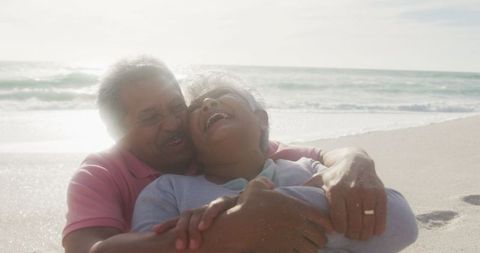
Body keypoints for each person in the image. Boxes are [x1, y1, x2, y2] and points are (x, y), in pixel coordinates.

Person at [62, 56, 390, 253]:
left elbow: (319, 157)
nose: (174, 124)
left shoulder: (208, 147)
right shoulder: (101, 174)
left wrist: (355, 161)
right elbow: (90, 251)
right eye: (151, 118)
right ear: (116, 132)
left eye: (178, 108)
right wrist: (223, 234)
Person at [131, 72, 418, 252]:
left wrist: (264, 209)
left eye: (221, 96)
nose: (208, 104)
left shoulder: (307, 170)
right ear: (191, 142)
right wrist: (239, 226)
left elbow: (401, 223)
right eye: (196, 108)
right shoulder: (169, 190)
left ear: (261, 120)